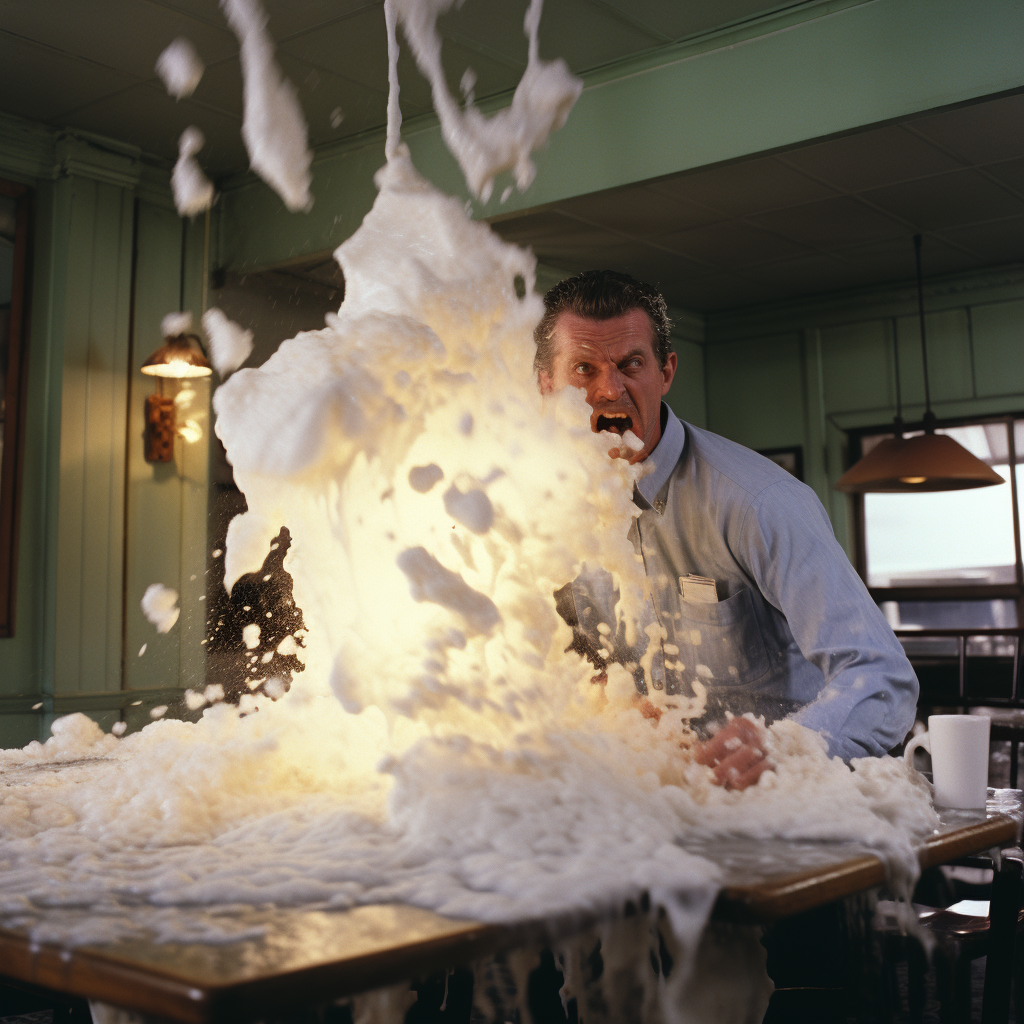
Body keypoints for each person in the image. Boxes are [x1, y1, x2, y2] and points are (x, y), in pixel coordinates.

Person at [536, 270, 918, 790]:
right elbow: (556, 659)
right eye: (584, 368)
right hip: (644, 809)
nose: (610, 388)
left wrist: (787, 747)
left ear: (665, 372)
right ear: (547, 385)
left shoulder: (759, 503)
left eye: (631, 364)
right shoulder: (534, 510)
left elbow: (880, 676)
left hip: (784, 808)